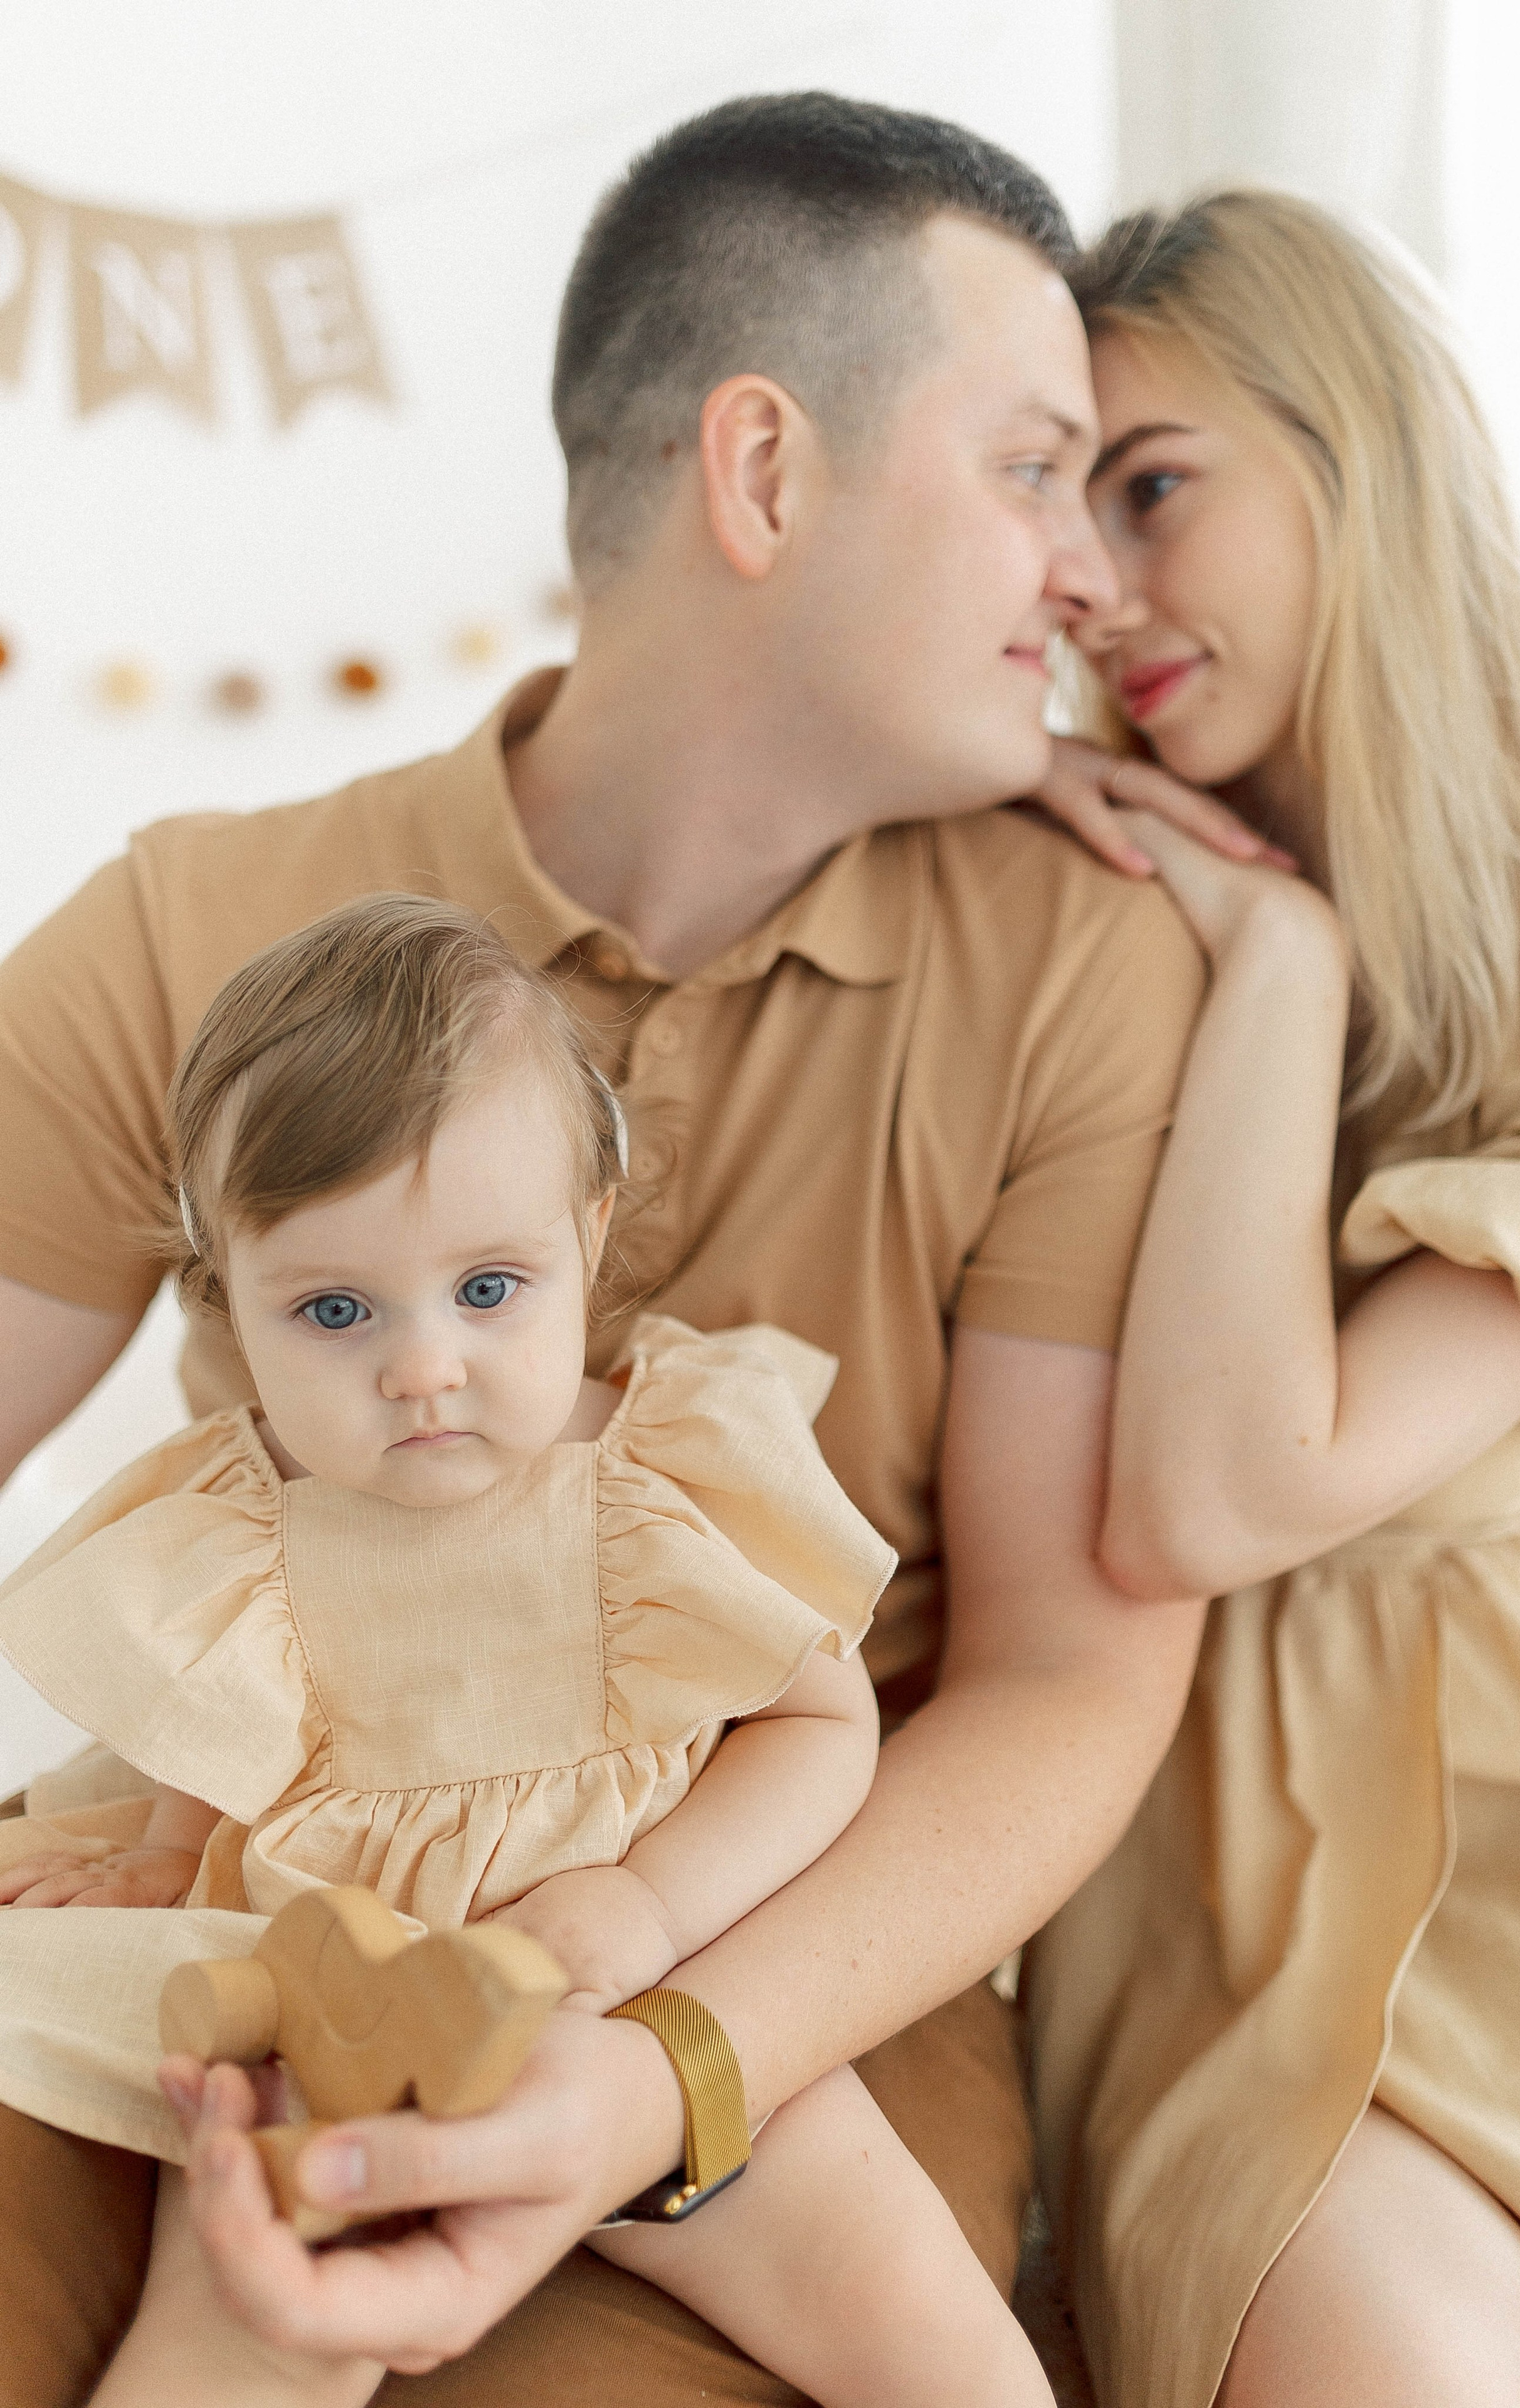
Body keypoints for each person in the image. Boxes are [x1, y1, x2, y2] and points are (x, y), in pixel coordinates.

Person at [0, 95, 1214, 2404]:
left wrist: (658, 2064)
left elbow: (1070, 1680)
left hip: (779, 1976)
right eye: (1036, 468)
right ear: (764, 474)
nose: (1095, 580)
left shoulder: (1085, 968)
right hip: (226, 1947)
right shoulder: (188, 924)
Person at [0, 893, 1055, 2408]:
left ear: (590, 1236)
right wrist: (159, 1861)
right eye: (336, 1311)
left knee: (924, 2335)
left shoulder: (653, 1476)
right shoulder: (236, 1528)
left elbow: (817, 1731)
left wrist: (648, 1900)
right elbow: (228, 1744)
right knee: (233, 2329)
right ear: (226, 1297)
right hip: (335, 2024)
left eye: (489, 1291)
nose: (424, 1368)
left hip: (636, 1992)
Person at [1025, 189, 1520, 2408]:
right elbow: (1191, 1517)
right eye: (1060, 513)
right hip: (1236, 1948)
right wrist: (1270, 956)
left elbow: (1249, 1480)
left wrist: (1291, 954)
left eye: (1156, 487)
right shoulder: (1085, 919)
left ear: (1360, 458)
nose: (1098, 587)